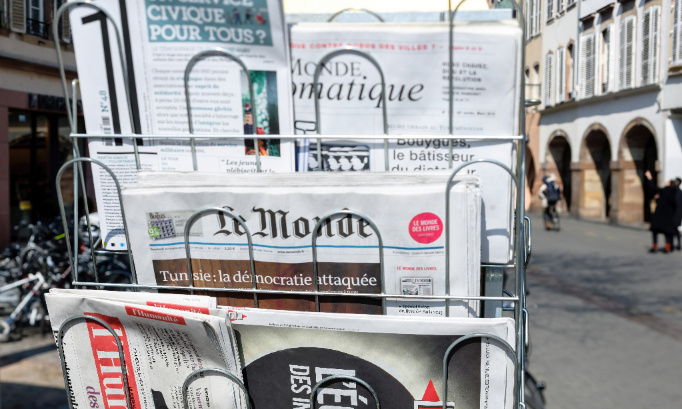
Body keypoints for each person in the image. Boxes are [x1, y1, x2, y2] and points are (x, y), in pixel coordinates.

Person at [644, 170, 678, 253]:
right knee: (667, 233)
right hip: (668, 216)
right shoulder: (674, 193)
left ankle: (655, 246)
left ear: (669, 184)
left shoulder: (664, 191)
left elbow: (653, 187)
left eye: (667, 182)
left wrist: (649, 177)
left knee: (655, 232)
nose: (665, 182)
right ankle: (667, 247)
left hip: (659, 215)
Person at [674, 177, 682, 250]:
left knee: (675, 230)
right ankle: (670, 245)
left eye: (676, 181)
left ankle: (678, 244)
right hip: (673, 213)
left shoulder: (679, 192)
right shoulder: (673, 191)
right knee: (671, 230)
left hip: (677, 214)